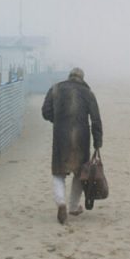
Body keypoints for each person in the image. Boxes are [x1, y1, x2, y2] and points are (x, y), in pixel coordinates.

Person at [41, 67, 102, 225]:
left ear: (69, 76)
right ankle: (73, 207)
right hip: (82, 137)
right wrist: (98, 142)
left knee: (58, 173)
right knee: (80, 173)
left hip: (60, 136)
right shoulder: (88, 93)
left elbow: (45, 112)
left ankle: (61, 203)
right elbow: (96, 119)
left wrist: (58, 120)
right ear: (82, 78)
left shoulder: (55, 89)